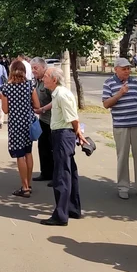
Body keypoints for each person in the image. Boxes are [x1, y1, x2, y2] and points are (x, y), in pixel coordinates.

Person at [39, 67, 89, 226]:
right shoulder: (58, 93)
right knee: (69, 172)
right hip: (61, 134)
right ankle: (72, 209)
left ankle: (61, 215)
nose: (43, 79)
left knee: (61, 175)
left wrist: (79, 133)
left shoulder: (61, 94)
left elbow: (73, 118)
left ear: (54, 79)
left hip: (63, 135)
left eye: (46, 76)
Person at [102, 57, 137, 200]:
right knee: (123, 156)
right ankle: (123, 187)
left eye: (128, 68)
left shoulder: (136, 82)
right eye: (124, 69)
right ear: (116, 69)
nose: (127, 71)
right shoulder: (109, 83)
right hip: (121, 126)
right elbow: (106, 104)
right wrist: (120, 93)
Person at [0, 61, 40, 198]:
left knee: (20, 155)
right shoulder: (30, 85)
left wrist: (3, 99)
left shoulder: (6, 88)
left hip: (15, 125)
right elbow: (37, 105)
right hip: (28, 123)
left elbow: (5, 110)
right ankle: (28, 183)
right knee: (28, 153)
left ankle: (24, 187)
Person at [30, 57, 54, 185]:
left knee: (53, 149)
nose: (33, 71)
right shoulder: (37, 81)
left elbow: (56, 100)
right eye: (32, 68)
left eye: (36, 68)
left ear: (43, 67)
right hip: (43, 120)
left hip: (53, 121)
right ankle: (46, 173)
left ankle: (57, 177)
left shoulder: (49, 80)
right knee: (43, 147)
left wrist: (43, 109)